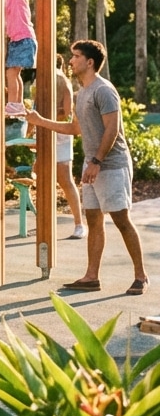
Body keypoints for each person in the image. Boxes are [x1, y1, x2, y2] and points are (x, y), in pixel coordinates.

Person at [25, 40, 148, 295]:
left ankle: (141, 276)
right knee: (93, 220)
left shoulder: (104, 90)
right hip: (92, 164)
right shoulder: (82, 94)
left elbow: (112, 129)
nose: (71, 61)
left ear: (89, 62)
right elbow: (74, 129)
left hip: (111, 165)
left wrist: (97, 161)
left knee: (121, 219)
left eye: (76, 56)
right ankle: (91, 277)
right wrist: (40, 121)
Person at [53, 52, 86, 239]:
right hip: (44, 132)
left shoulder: (62, 80)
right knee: (42, 177)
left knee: (65, 180)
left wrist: (47, 118)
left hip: (62, 135)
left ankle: (79, 224)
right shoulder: (39, 81)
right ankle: (45, 220)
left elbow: (66, 113)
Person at [4, 0, 36, 116]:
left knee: (11, 72)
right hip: (20, 39)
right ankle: (16, 105)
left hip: (22, 38)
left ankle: (14, 104)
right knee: (14, 73)